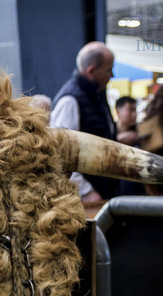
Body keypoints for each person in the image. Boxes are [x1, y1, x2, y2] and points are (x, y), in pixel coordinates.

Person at [51, 41, 127, 201]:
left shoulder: (97, 95)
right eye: (108, 70)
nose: (112, 75)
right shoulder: (70, 100)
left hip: (103, 191)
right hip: (87, 200)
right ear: (91, 70)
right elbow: (59, 156)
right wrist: (85, 191)